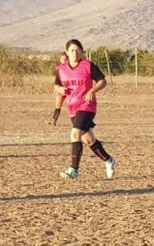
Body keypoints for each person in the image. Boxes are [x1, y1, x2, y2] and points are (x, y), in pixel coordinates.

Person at [54, 39, 115, 180]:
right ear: (67, 53)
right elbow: (56, 86)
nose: (75, 53)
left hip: (87, 106)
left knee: (75, 134)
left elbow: (102, 81)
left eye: (78, 50)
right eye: (72, 50)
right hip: (73, 108)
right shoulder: (61, 69)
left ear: (82, 52)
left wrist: (92, 90)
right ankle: (109, 160)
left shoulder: (87, 66)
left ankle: (73, 170)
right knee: (89, 140)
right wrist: (60, 90)